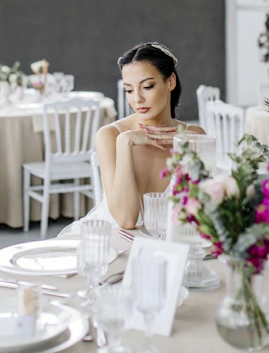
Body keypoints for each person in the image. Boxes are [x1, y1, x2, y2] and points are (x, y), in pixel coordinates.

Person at [60, 41, 205, 234]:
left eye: (147, 86)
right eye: (129, 90)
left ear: (170, 81)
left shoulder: (195, 136)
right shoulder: (111, 136)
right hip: (115, 244)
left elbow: (203, 215)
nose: (137, 99)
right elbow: (126, 220)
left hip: (173, 248)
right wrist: (125, 143)